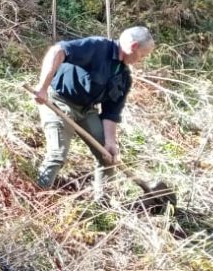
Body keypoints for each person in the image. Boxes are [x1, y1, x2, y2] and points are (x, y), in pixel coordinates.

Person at [31, 26, 155, 199]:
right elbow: (58, 51)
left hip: (87, 110)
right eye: (143, 55)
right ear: (133, 47)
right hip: (58, 101)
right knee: (57, 154)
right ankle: (36, 199)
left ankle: (103, 204)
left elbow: (111, 112)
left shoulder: (124, 77)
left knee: (107, 157)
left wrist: (110, 142)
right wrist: (43, 87)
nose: (141, 60)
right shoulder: (98, 47)